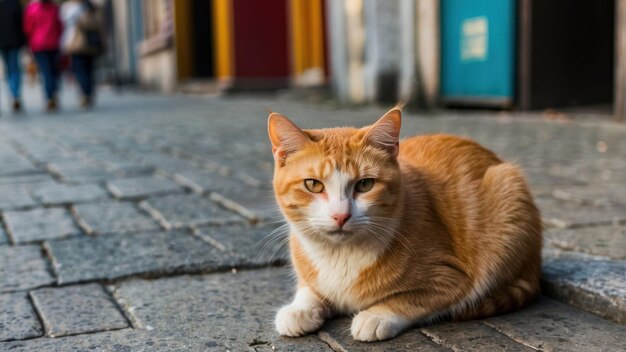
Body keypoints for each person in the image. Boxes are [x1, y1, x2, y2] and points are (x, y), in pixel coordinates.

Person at [61, 0, 102, 109]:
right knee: (89, 70)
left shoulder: (69, 8)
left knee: (80, 70)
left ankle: (85, 93)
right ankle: (88, 93)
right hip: (91, 44)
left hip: (76, 44)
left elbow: (65, 26)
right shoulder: (91, 6)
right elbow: (100, 24)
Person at [24, 0, 63, 112]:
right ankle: (53, 93)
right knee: (53, 70)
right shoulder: (54, 8)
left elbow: (28, 27)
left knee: (46, 71)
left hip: (38, 44)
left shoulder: (32, 8)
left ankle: (50, 96)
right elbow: (59, 25)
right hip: (53, 43)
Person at [0, 0, 26, 113]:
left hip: (2, 41)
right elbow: (22, 23)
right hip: (14, 41)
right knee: (14, 68)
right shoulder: (14, 3)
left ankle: (14, 95)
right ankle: (15, 95)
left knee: (7, 69)